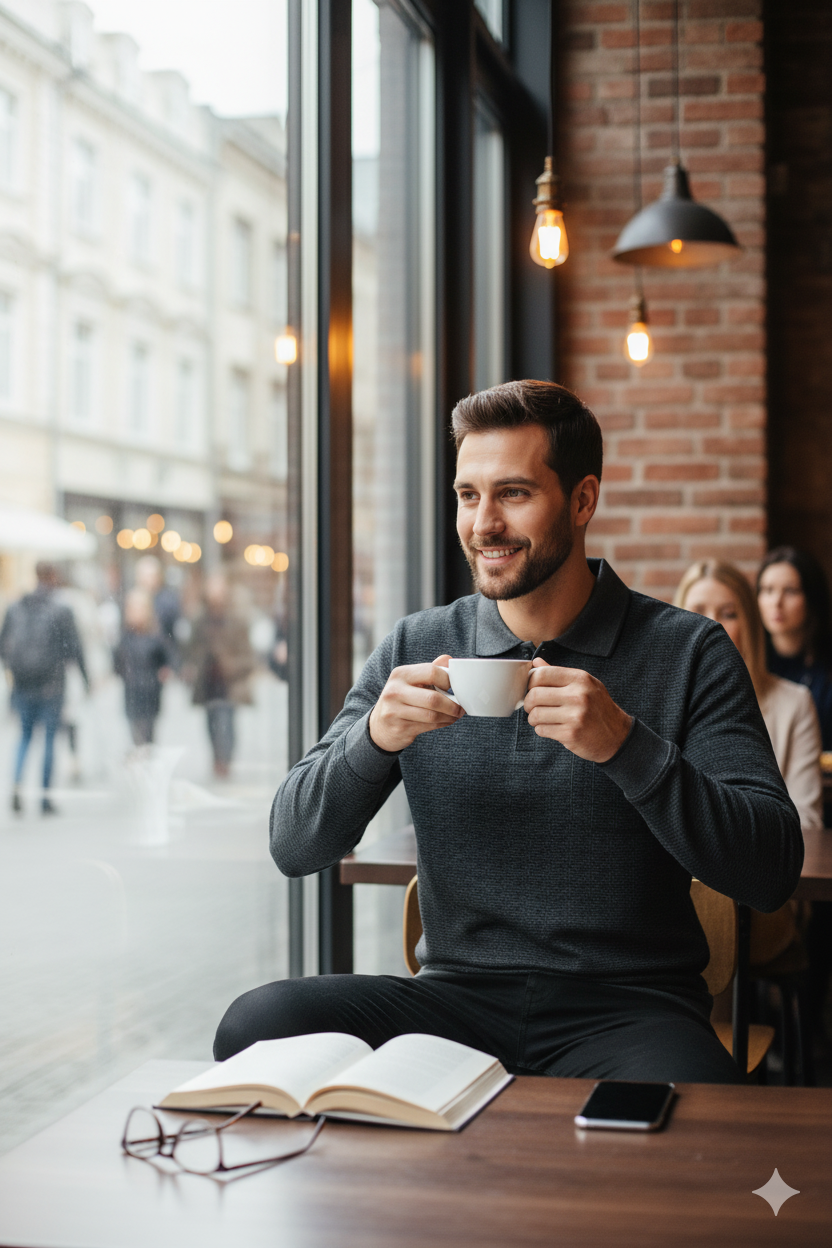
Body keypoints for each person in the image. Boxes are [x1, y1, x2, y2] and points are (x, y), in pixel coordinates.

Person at [215, 380, 801, 1084]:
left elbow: (771, 870)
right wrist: (372, 740)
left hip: (631, 1009)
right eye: (469, 496)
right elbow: (292, 843)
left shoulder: (690, 652)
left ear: (582, 501)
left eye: (514, 494)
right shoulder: (416, 646)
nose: (483, 524)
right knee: (255, 1025)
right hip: (454, 1001)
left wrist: (627, 746)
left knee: (696, 1100)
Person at [674, 559, 822, 966]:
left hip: (761, 893)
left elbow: (807, 820)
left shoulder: (794, 703)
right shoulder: (661, 705)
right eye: (698, 611)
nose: (711, 626)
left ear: (751, 625)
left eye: (729, 613)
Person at [0, 561, 88, 814]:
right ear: (53, 576)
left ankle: (17, 784)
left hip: (23, 684)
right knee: (50, 739)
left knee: (25, 737)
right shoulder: (61, 609)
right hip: (52, 685)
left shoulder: (16, 607)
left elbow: (3, 645)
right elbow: (75, 649)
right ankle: (45, 797)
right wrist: (86, 679)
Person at [757, 547, 832, 751]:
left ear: (811, 597)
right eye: (768, 590)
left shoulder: (825, 669)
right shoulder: (751, 663)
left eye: (790, 591)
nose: (776, 602)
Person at [187, 573, 255, 779]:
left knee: (226, 723)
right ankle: (217, 758)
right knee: (211, 722)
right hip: (208, 682)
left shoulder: (237, 621)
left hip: (229, 684)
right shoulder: (200, 620)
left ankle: (225, 760)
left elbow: (248, 656)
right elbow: (191, 649)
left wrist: (231, 665)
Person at [113, 589, 171, 747]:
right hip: (132, 692)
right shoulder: (124, 638)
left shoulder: (156, 637)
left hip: (151, 693)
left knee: (148, 734)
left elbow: (165, 660)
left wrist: (162, 673)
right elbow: (117, 663)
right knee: (136, 734)